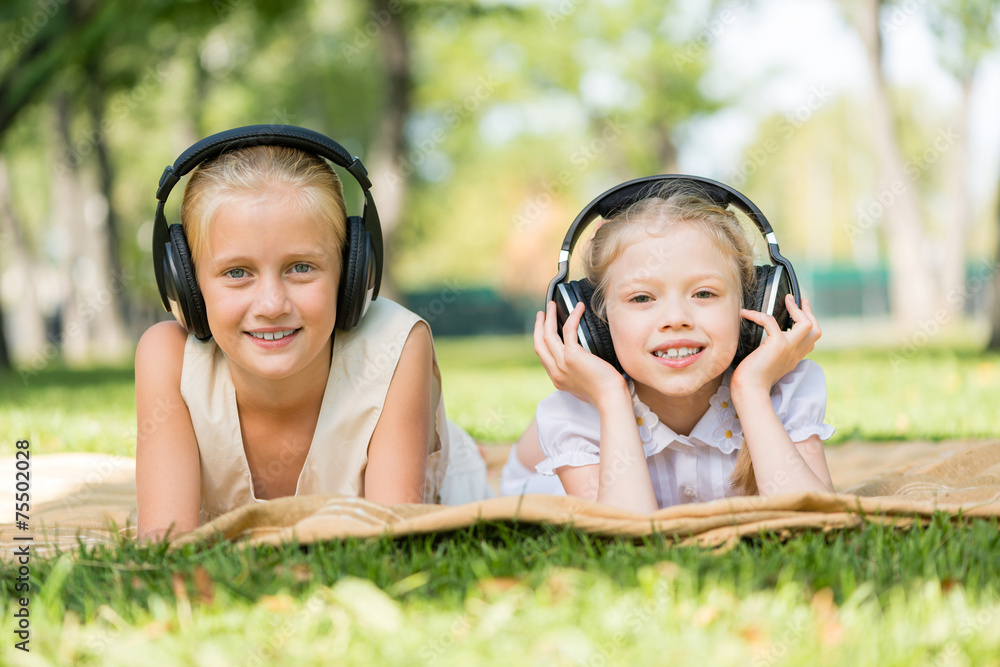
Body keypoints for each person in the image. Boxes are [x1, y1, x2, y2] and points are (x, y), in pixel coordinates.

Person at [136, 128, 490, 541]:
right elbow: (164, 543)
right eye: (237, 272)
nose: (271, 305)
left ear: (352, 274)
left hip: (455, 479)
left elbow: (392, 540)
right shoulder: (168, 358)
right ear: (186, 285)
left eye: (301, 267)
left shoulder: (396, 346)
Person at [504, 178, 834, 512]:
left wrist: (751, 390)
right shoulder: (577, 415)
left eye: (703, 293)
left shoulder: (785, 392)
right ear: (596, 321)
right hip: (531, 478)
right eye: (642, 297)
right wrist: (609, 395)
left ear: (754, 305)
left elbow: (814, 520)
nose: (676, 319)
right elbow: (623, 533)